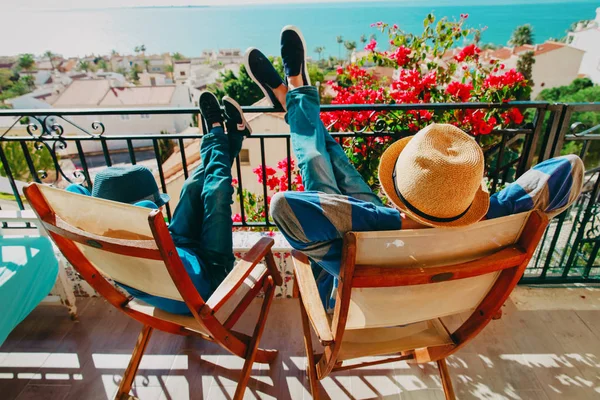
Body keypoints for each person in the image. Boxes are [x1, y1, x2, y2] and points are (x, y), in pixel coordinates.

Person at [244, 25, 585, 311]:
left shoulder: (380, 222)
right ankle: (296, 97)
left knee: (320, 172)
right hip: (416, 286)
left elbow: (285, 208)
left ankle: (294, 95)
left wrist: (396, 222)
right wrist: (427, 221)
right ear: (464, 201)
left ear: (401, 195)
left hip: (357, 287)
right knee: (336, 164)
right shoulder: (494, 223)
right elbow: (567, 169)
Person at [66, 93, 252, 315]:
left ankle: (227, 134)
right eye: (155, 208)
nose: (160, 210)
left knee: (192, 186)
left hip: (173, 252)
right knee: (216, 192)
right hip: (207, 279)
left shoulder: (98, 233)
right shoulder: (138, 231)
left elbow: (73, 192)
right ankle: (220, 132)